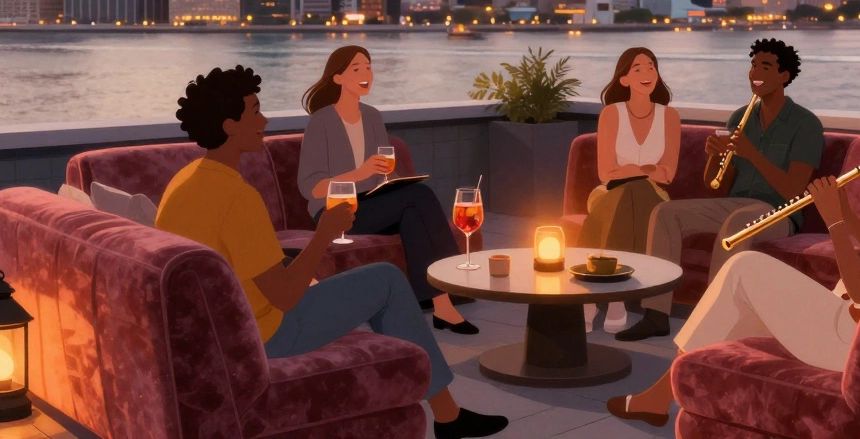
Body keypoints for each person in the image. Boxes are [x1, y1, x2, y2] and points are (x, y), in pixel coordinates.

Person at [606, 80, 860, 428]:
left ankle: (662, 394)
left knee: (744, 269)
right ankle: (674, 388)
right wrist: (849, 214)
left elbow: (859, 289)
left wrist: (833, 219)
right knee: (746, 297)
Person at [156, 66, 508, 439]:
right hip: (265, 335)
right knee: (386, 280)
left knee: (310, 270)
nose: (265, 119)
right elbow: (286, 297)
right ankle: (448, 416)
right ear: (229, 125)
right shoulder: (238, 197)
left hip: (223, 326)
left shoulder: (185, 180)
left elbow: (240, 264)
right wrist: (323, 234)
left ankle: (442, 406)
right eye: (255, 111)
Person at [615, 37, 823, 342]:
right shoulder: (740, 118)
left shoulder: (806, 124)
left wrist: (753, 154)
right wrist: (714, 155)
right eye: (753, 65)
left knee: (737, 224)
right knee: (665, 213)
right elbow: (716, 185)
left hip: (779, 211)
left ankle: (712, 321)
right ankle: (656, 314)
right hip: (737, 203)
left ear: (784, 76)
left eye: (765, 66)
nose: (755, 72)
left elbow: (794, 190)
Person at [298, 46, 477, 334]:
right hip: (335, 211)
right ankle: (452, 285)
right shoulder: (322, 122)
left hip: (372, 203)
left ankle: (442, 305)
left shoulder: (372, 116)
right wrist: (362, 172)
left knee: (413, 212)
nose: (366, 74)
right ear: (338, 78)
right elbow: (311, 187)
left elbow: (381, 172)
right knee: (420, 197)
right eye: (357, 69)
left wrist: (391, 180)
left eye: (368, 67)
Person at [577, 48, 681, 332]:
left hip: (654, 195)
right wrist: (648, 168)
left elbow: (668, 174)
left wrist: (636, 172)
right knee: (625, 194)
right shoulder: (612, 114)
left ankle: (597, 298)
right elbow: (606, 173)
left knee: (634, 192)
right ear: (624, 79)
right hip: (608, 191)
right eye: (638, 68)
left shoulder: (669, 117)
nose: (647, 73)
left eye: (651, 67)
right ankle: (614, 299)